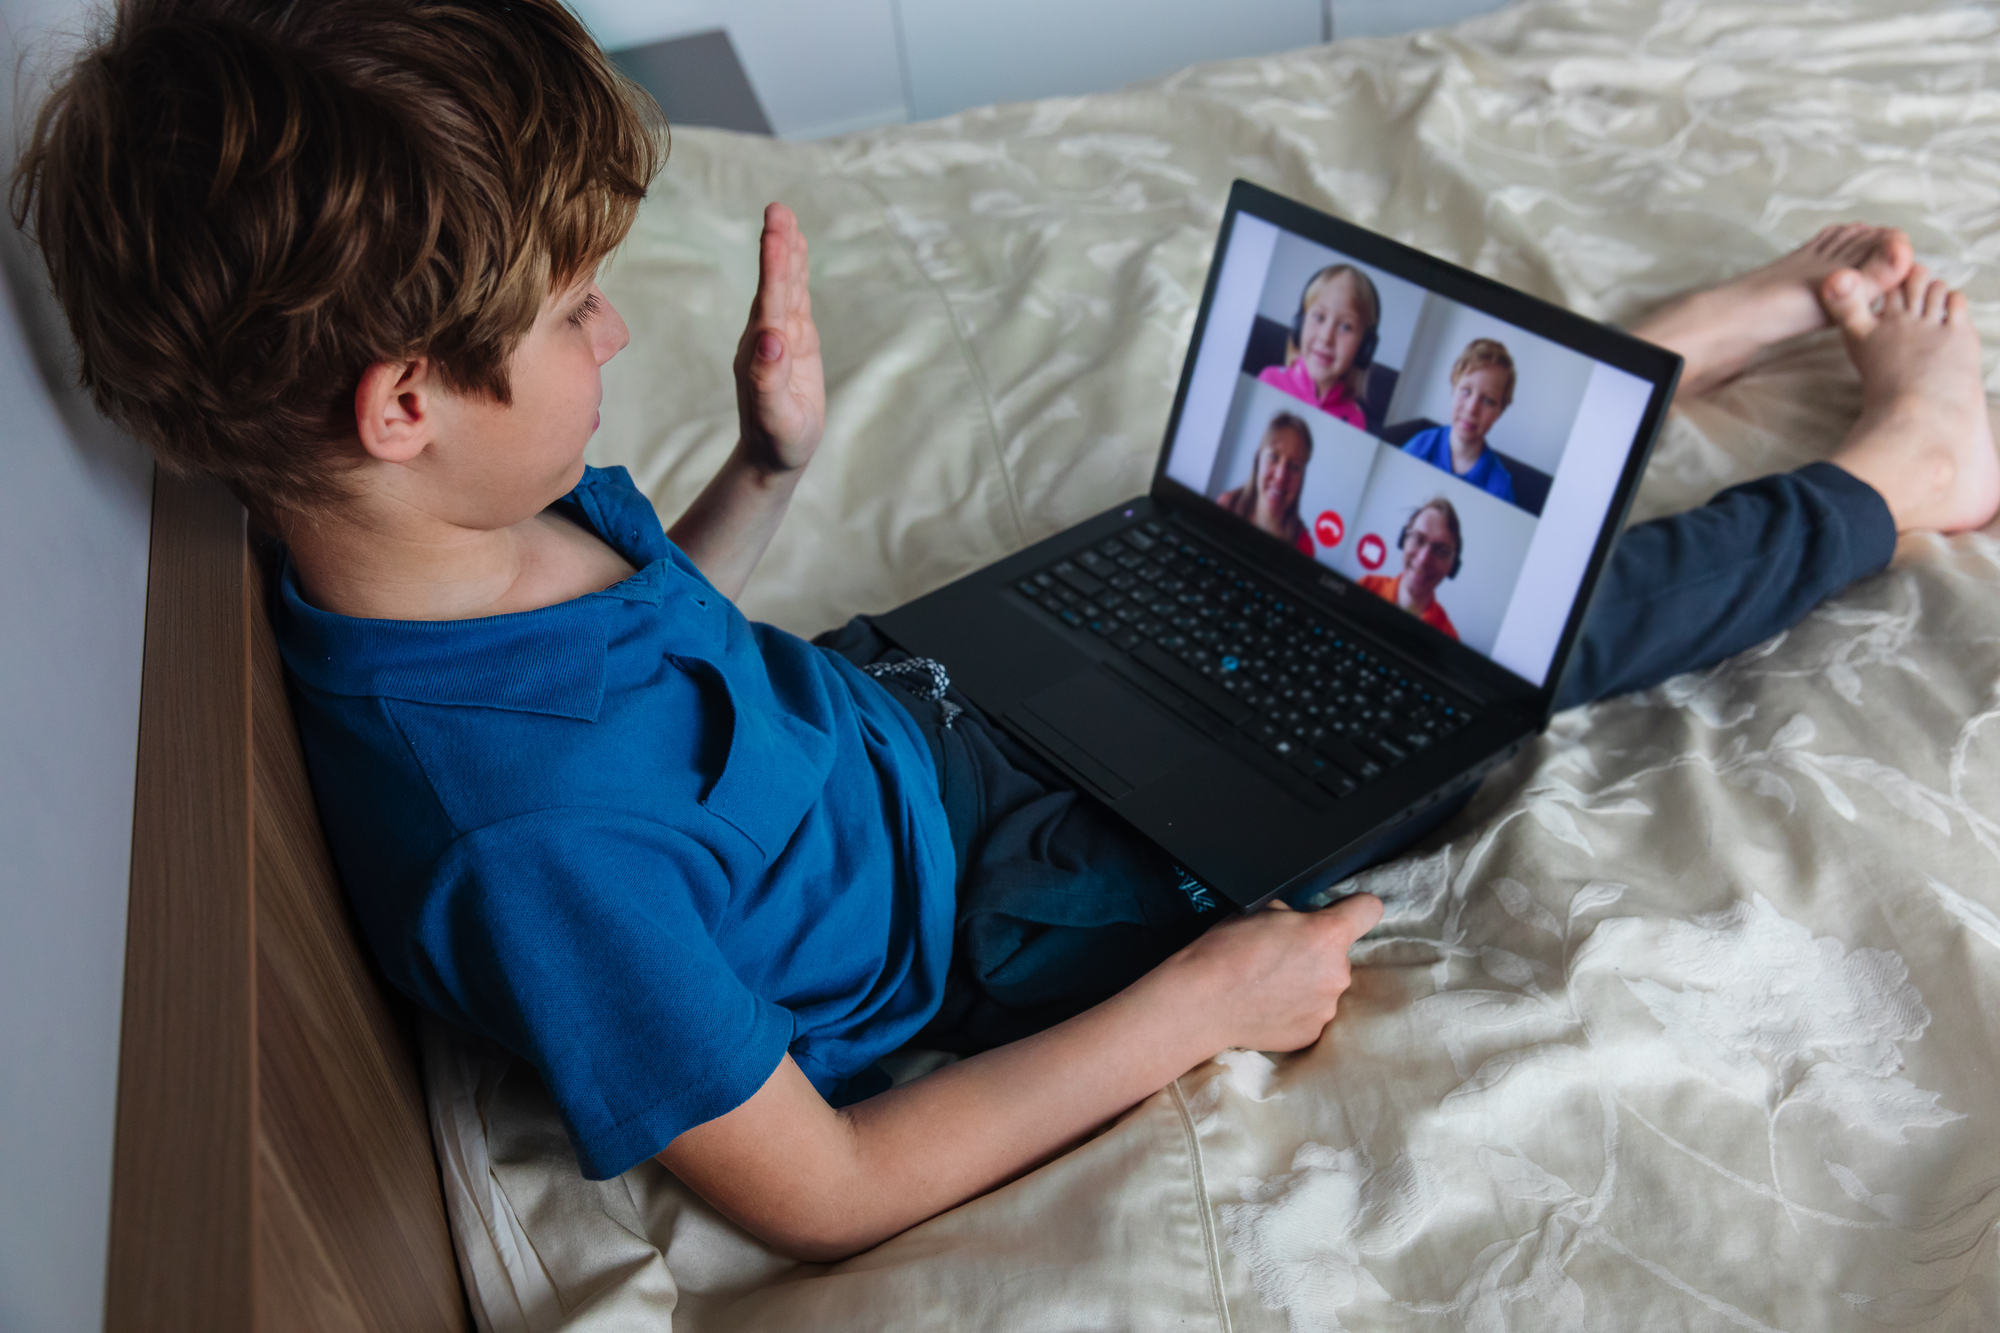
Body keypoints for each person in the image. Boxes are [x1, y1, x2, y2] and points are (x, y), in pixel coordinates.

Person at [14, 0, 1996, 1266]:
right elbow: (823, 1195)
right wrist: (1201, 1008)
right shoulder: (529, 850)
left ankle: (1633, 366)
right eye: (568, 311)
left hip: (918, 708)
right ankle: (1895, 485)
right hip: (1005, 901)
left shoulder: (452, 523)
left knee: (1255, 523)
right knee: (1465, 643)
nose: (610, 333)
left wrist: (765, 474)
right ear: (398, 402)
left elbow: (661, 680)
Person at [1257, 263, 1380, 429]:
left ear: (1365, 348)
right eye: (1319, 317)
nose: (1326, 337)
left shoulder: (1355, 420)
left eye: (1346, 326)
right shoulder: (1269, 381)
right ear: (1300, 325)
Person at [1398, 338, 1518, 504]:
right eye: (1466, 391)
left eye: (1488, 400)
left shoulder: (1500, 489)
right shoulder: (1420, 447)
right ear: (1453, 390)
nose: (1471, 408)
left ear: (1499, 412)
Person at [1359, 498, 1462, 639]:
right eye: (1418, 539)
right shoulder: (1366, 587)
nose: (1423, 559)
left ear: (1453, 567)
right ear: (1403, 540)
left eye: (1441, 551)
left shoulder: (1450, 637)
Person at [1216, 412, 1317, 554]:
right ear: (1258, 461)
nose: (1281, 476)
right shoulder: (1226, 505)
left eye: (1294, 466)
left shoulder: (1304, 547)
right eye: (1274, 457)